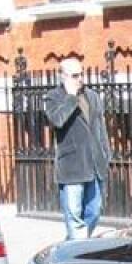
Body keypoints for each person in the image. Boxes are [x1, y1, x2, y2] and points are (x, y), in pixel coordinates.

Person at [44, 57, 111, 239]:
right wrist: (71, 97)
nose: (80, 79)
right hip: (72, 166)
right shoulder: (53, 97)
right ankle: (77, 245)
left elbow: (100, 127)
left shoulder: (92, 96)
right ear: (63, 77)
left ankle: (74, 243)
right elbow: (58, 120)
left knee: (95, 211)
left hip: (95, 164)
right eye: (74, 76)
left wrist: (106, 155)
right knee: (74, 216)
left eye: (81, 74)